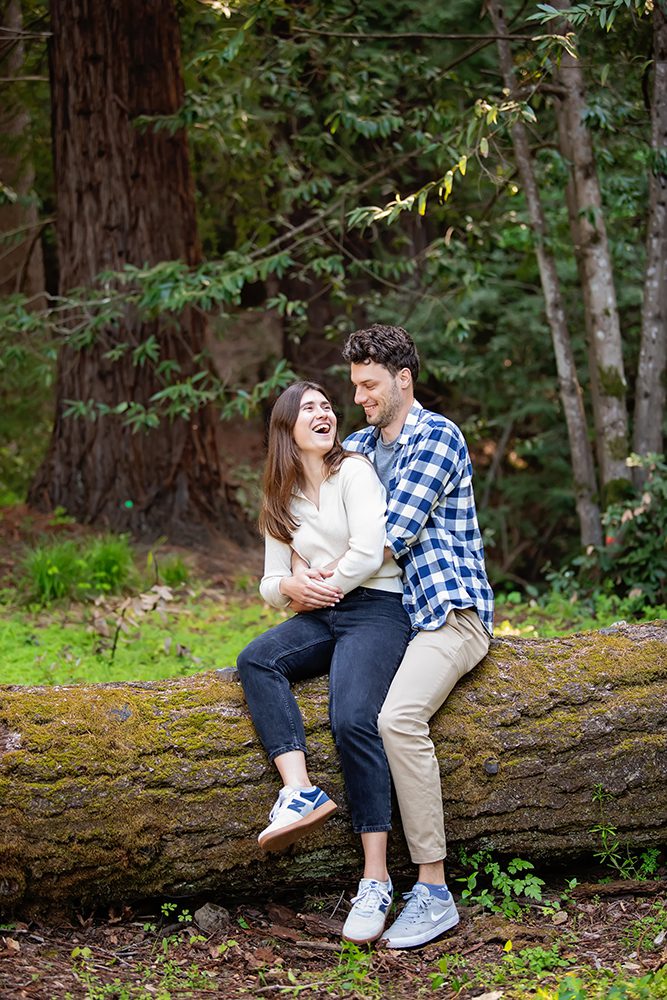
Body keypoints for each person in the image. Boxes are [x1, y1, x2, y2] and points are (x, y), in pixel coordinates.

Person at [236, 380, 412, 945]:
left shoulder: (354, 471)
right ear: (287, 429)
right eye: (308, 408)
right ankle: (299, 790)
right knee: (256, 659)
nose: (323, 413)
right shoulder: (279, 497)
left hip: (376, 608)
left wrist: (323, 586)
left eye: (325, 406)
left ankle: (376, 879)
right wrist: (289, 585)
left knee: (352, 717)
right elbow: (268, 579)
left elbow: (369, 548)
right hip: (322, 612)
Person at [340, 323, 495, 948]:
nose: (360, 398)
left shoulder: (437, 437)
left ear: (404, 380)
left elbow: (387, 536)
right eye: (354, 386)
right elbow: (314, 516)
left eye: (370, 385)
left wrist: (326, 574)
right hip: (383, 617)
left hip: (447, 614)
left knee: (398, 719)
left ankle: (432, 889)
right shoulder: (354, 444)